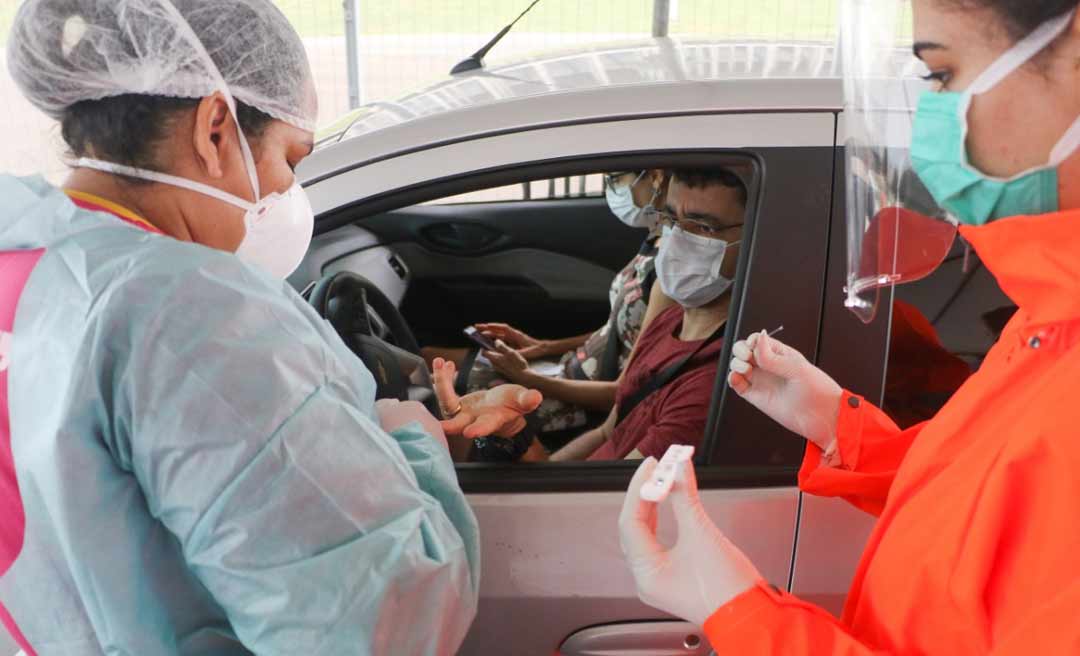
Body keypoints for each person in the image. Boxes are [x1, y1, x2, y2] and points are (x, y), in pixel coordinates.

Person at [0, 1, 489, 653]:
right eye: (291, 159)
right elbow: (381, 623)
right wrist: (410, 438)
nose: (287, 190)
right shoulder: (195, 316)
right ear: (214, 130)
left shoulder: (24, 255)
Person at [619, 0, 1080, 653]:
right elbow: (998, 502)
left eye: (941, 76)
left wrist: (742, 614)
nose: (926, 121)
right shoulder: (1051, 315)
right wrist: (843, 428)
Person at [435, 167, 747, 462]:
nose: (677, 238)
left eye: (704, 227)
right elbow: (607, 432)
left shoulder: (707, 388)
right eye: (671, 219)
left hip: (593, 483)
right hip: (581, 462)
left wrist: (519, 422)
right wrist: (515, 436)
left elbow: (616, 494)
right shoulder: (670, 321)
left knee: (453, 406)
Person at [423, 170, 676, 438]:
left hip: (578, 399)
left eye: (615, 178)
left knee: (436, 397)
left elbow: (620, 393)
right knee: (428, 358)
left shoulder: (672, 273)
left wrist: (528, 378)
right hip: (564, 370)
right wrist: (543, 346)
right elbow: (619, 328)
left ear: (656, 177)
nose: (610, 187)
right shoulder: (656, 240)